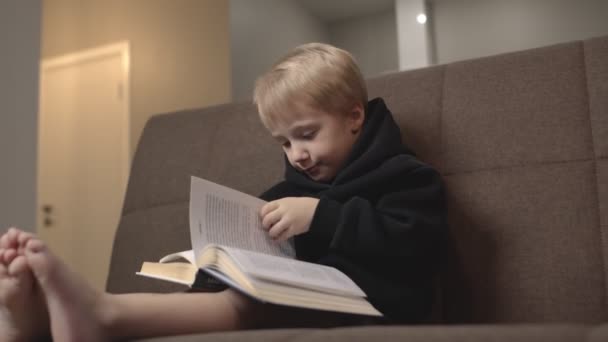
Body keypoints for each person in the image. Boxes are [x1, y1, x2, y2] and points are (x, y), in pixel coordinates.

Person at [0, 42, 447, 341]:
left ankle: (102, 313)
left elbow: (418, 242)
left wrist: (321, 215)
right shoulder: (287, 192)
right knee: (218, 291)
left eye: (307, 134)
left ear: (354, 118)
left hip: (377, 305)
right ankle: (39, 323)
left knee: (244, 306)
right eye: (285, 142)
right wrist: (220, 260)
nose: (298, 155)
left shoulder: (404, 176)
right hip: (301, 295)